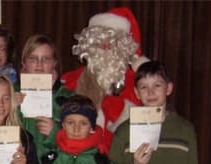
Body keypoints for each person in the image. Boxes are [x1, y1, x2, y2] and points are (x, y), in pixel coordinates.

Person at [61, 7, 149, 149]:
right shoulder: (73, 80)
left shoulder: (137, 82)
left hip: (122, 158)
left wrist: (121, 110)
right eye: (101, 40)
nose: (106, 46)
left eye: (113, 41)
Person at [17, 34, 74, 164]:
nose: (39, 65)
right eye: (33, 59)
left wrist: (56, 133)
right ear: (24, 63)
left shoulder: (69, 98)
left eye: (46, 59)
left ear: (54, 63)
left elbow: (81, 141)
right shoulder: (9, 93)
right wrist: (9, 107)